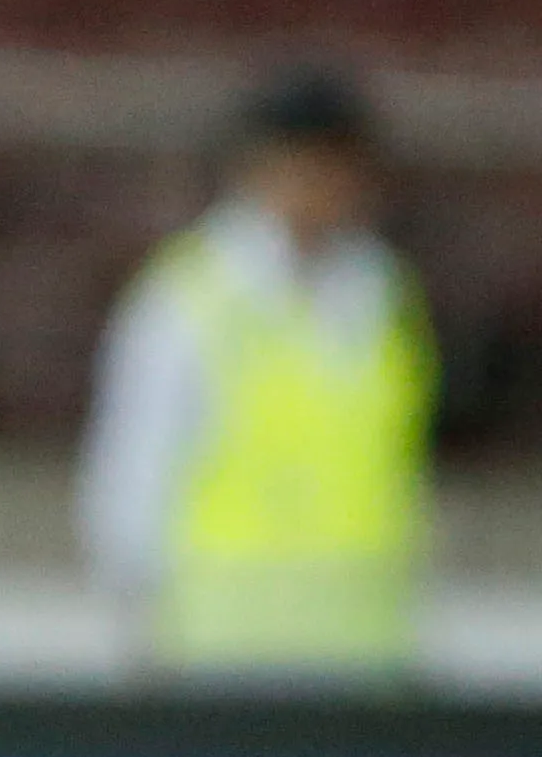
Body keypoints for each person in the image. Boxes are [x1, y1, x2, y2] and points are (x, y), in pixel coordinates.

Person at [78, 69, 435, 675]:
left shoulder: (385, 296)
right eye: (303, 166)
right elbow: (132, 469)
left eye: (337, 169)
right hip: (222, 655)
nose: (321, 189)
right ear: (256, 166)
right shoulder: (187, 297)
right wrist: (137, 630)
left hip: (368, 654)